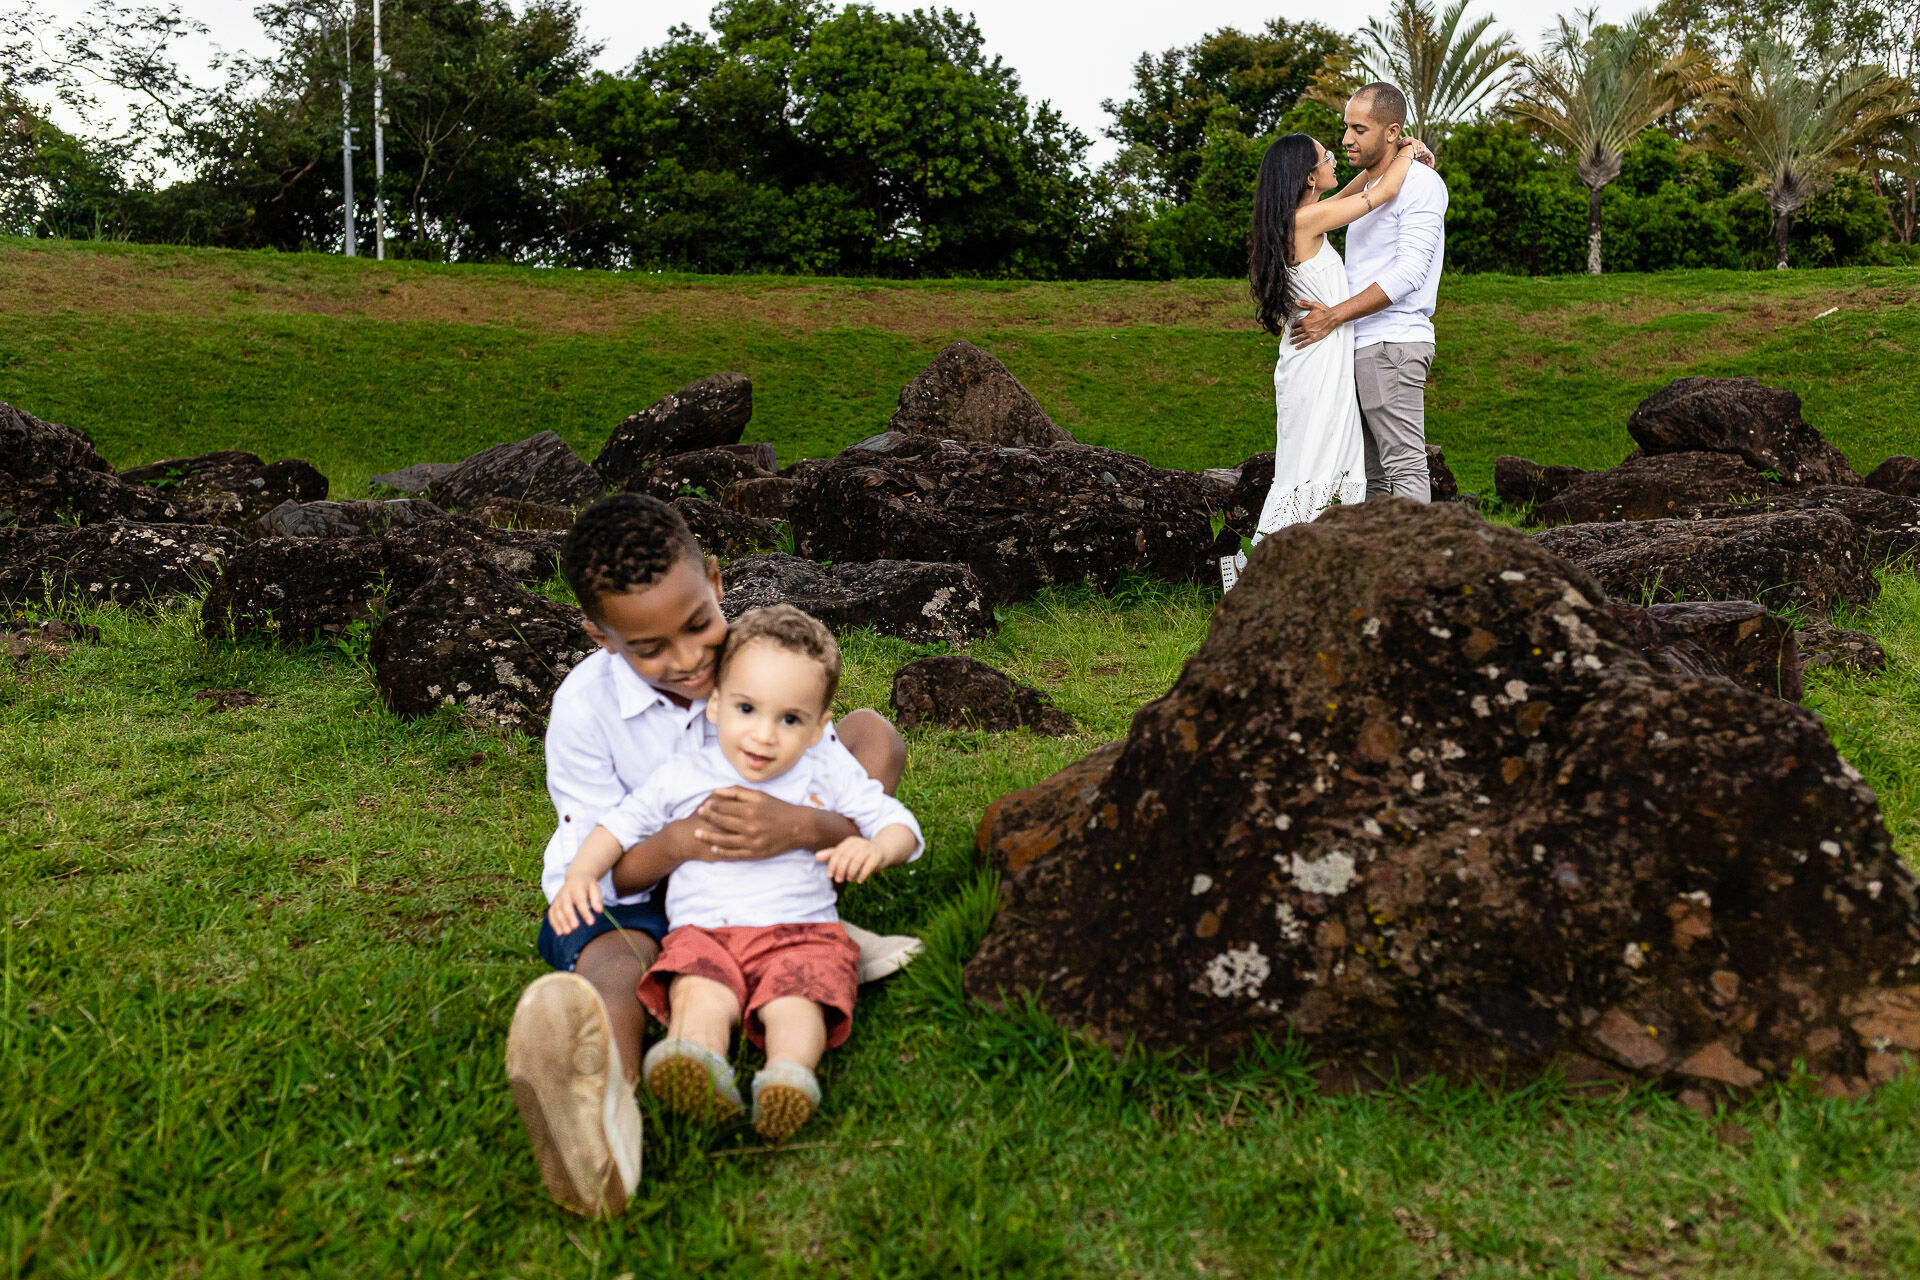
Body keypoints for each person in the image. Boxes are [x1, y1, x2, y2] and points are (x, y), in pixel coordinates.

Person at [504, 493, 918, 1218]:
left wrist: (797, 829)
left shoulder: (763, 663)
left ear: (718, 584)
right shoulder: (584, 710)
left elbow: (840, 776)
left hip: (769, 873)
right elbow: (605, 864)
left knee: (873, 732)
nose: (690, 659)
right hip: (641, 889)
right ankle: (605, 1107)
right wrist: (681, 843)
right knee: (615, 962)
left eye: (699, 625)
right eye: (649, 647)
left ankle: (809, 928)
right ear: (602, 637)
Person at [567, 604, 922, 1143]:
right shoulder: (685, 773)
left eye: (789, 719)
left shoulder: (823, 770)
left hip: (800, 931)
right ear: (715, 707)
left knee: (796, 1001)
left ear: (817, 729)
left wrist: (876, 850)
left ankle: (789, 1077)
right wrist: (582, 875)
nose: (763, 736)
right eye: (747, 709)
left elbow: (897, 824)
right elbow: (618, 827)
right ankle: (696, 1062)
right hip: (705, 931)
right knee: (699, 992)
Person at [1220, 123, 1426, 590]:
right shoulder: (1305, 222)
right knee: (1315, 464)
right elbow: (1384, 190)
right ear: (1310, 176)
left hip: (1316, 360)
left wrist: (1387, 160)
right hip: (1315, 367)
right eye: (1327, 155)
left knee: (1318, 463)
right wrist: (1407, 151)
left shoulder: (1302, 217)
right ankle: (1253, 572)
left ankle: (1285, 571)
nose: (1336, 158)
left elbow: (1358, 189)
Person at [1288, 81, 1448, 505]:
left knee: (1405, 467)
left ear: (1391, 131)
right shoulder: (1361, 193)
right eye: (1346, 128)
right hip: (1356, 345)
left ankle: (1415, 571)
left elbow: (1409, 273)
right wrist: (1404, 152)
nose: (1345, 139)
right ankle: (1381, 567)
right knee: (1370, 476)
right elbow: (1377, 188)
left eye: (1359, 129)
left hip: (1391, 344)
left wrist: (1335, 315)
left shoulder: (1420, 185)